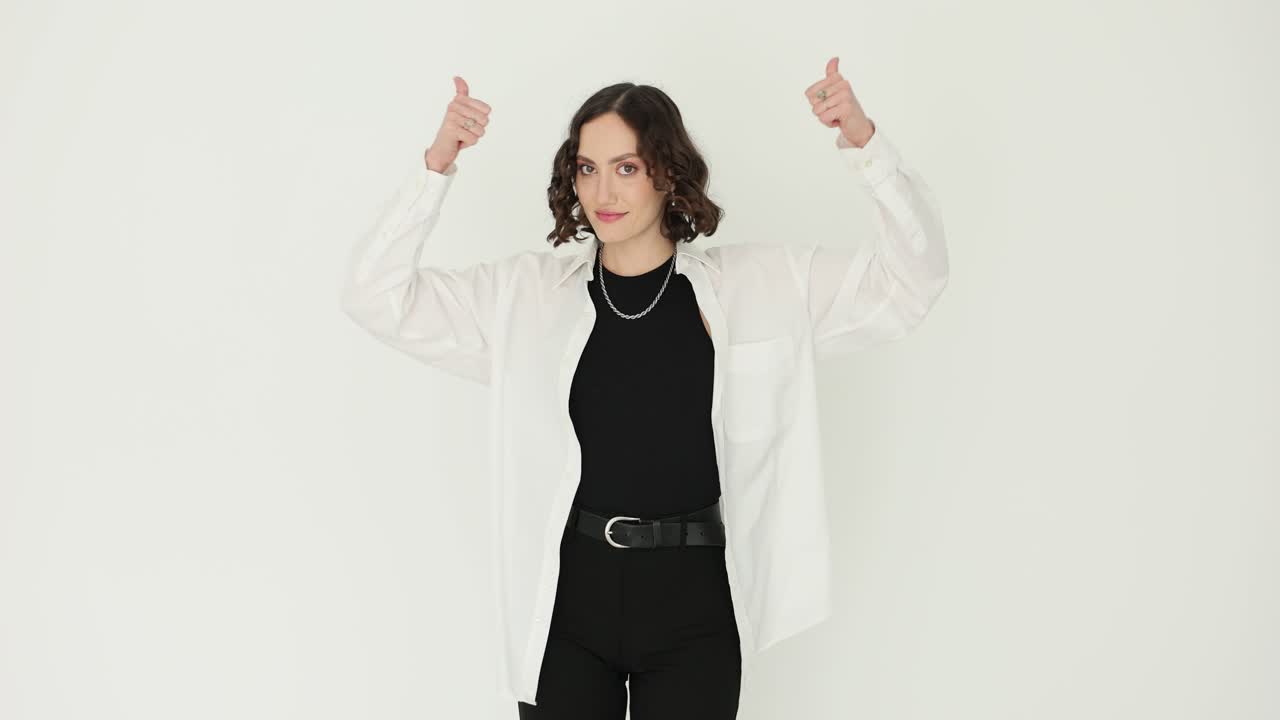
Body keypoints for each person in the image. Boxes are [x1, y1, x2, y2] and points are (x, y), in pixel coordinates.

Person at [340, 57, 949, 719]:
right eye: (587, 167)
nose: (604, 189)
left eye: (626, 167)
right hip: (567, 609)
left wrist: (864, 146)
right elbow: (375, 295)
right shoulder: (524, 298)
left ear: (667, 172)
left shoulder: (762, 287)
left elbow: (911, 281)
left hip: (695, 609)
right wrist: (436, 167)